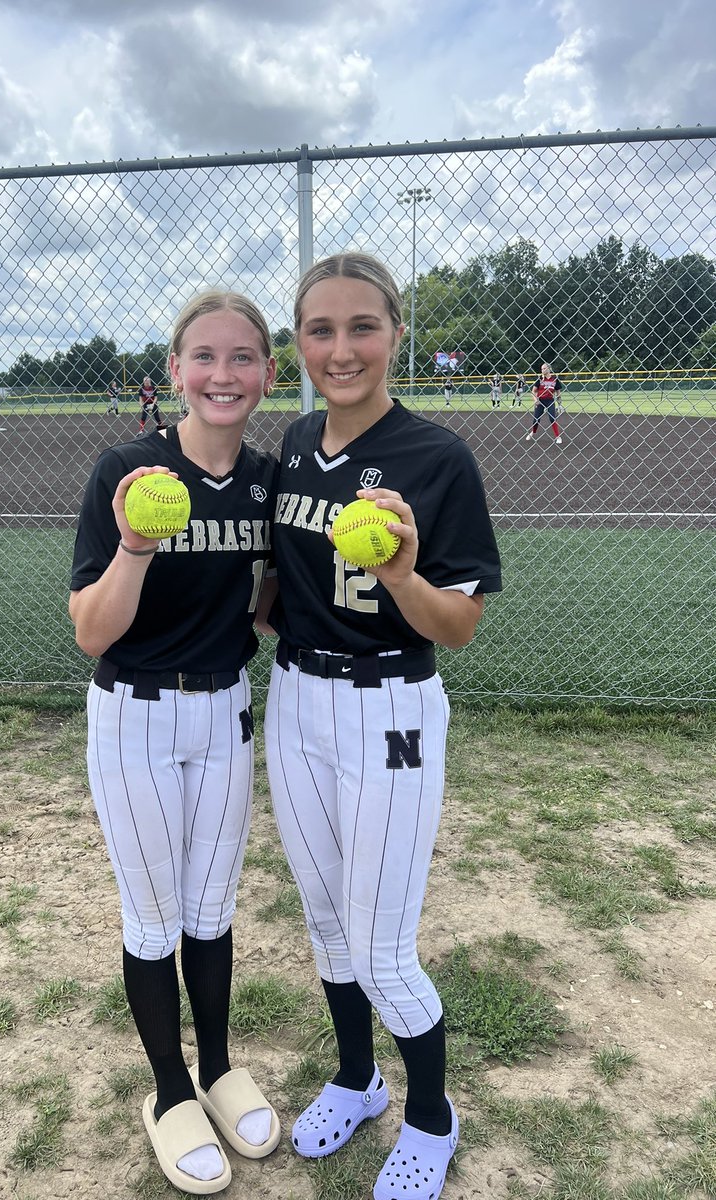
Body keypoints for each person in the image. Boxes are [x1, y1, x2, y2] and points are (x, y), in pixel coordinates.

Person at [261, 253, 501, 1200]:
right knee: (326, 924)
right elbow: (279, 588)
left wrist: (402, 575)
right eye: (320, 330)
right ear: (299, 345)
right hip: (296, 700)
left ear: (396, 333)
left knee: (382, 945)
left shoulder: (436, 456)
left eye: (362, 326)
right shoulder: (290, 444)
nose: (341, 348)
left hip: (391, 703)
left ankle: (432, 1118)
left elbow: (461, 626)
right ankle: (358, 1079)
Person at [70, 291, 281, 1196]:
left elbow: (269, 608)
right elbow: (90, 628)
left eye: (242, 358)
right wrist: (134, 547)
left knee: (213, 908)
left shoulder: (272, 482)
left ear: (268, 374)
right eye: (204, 357)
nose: (222, 375)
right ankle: (166, 1092)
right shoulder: (129, 468)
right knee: (154, 918)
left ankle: (218, 1068)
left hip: (226, 709)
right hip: (138, 715)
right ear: (176, 373)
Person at [526, 363, 563, 443]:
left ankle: (558, 437)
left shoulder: (555, 379)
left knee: (552, 418)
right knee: (536, 419)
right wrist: (536, 400)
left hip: (550, 400)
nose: (542, 370)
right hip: (540, 400)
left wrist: (560, 404)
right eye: (542, 369)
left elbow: (558, 393)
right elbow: (533, 391)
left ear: (549, 369)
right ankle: (533, 432)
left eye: (544, 368)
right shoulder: (540, 379)